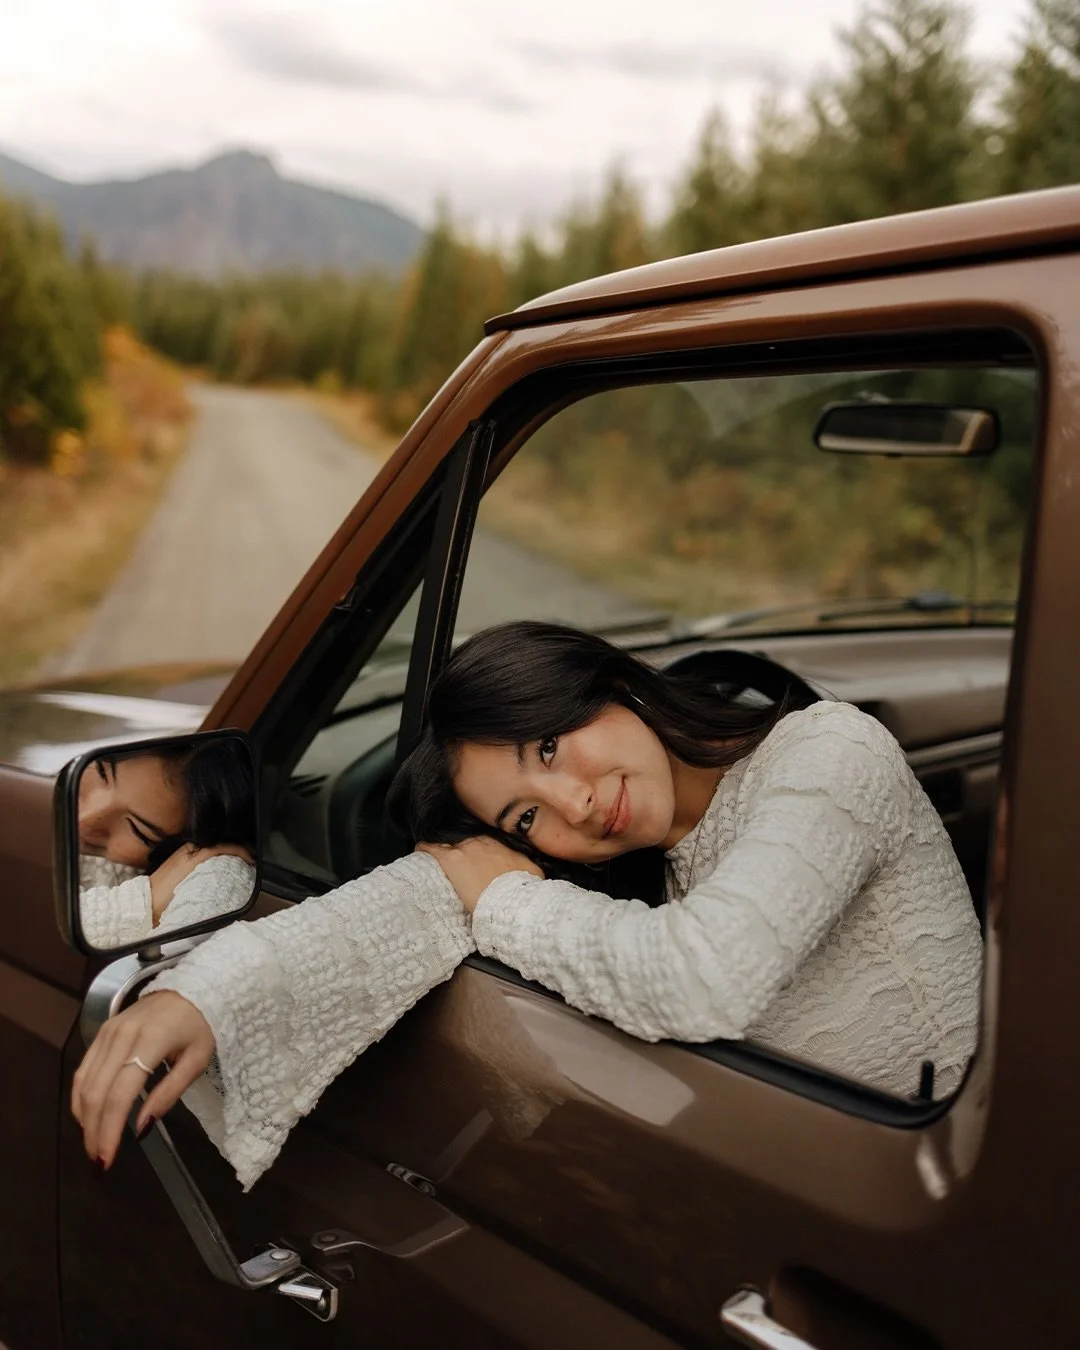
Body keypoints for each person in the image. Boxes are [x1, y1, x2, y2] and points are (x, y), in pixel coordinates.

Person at [72, 622, 982, 1189]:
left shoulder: (831, 754)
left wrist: (502, 893)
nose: (575, 805)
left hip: (964, 1203)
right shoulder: (649, 864)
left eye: (550, 745)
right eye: (524, 816)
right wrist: (208, 991)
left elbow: (707, 975)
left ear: (608, 681)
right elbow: (433, 890)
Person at [77, 740, 258, 949]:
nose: (85, 820)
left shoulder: (217, 878)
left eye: (137, 830)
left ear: (173, 852)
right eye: (101, 773)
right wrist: (146, 900)